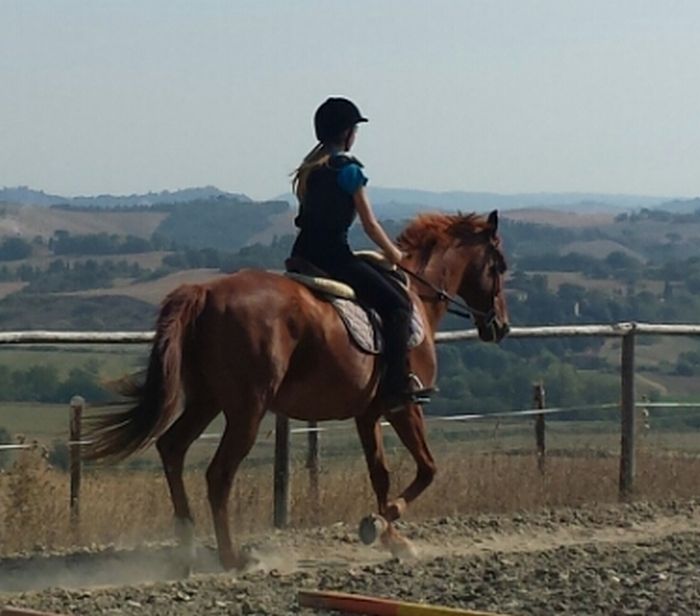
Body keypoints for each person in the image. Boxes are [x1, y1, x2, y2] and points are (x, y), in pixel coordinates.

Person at [290, 96, 431, 407]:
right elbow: (369, 224)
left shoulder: (309, 169)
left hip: (302, 255)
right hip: (334, 258)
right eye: (355, 129)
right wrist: (394, 253)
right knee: (398, 306)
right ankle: (395, 385)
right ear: (346, 133)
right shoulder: (349, 170)